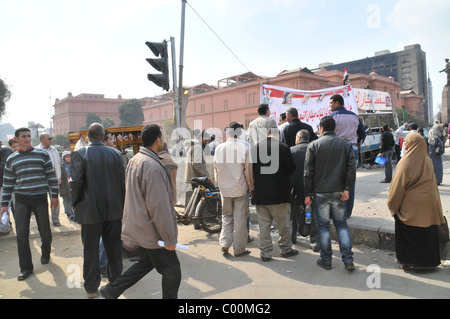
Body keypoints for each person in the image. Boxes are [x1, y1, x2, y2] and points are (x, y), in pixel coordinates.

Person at [100, 124, 181, 299]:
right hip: (151, 230)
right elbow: (158, 207)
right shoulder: (152, 166)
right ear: (158, 140)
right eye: (163, 137)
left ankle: (111, 290)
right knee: (172, 271)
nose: (164, 140)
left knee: (145, 263)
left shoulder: (135, 159)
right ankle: (111, 290)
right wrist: (168, 238)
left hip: (140, 226)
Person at [71, 123, 125, 298]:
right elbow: (122, 184)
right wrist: (122, 206)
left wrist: (75, 201)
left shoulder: (79, 153)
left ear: (88, 136)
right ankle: (115, 283)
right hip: (113, 209)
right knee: (114, 248)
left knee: (91, 249)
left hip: (89, 210)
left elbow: (76, 182)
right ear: (103, 136)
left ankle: (91, 288)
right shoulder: (116, 154)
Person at [1, 127, 59, 280]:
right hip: (21, 200)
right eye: (23, 136)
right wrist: (4, 204)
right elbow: (8, 184)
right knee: (21, 235)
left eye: (28, 136)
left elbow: (51, 176)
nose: (27, 139)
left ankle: (46, 251)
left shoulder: (42, 155)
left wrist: (55, 195)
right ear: (16, 139)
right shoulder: (11, 159)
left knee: (45, 231)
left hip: (40, 197)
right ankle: (26, 268)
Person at [304, 116, 356, 270]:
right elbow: (351, 168)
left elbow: (308, 173)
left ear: (321, 128)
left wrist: (307, 194)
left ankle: (326, 260)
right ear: (334, 128)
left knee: (323, 227)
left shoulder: (313, 145)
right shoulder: (346, 145)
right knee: (341, 226)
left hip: (320, 193)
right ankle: (348, 260)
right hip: (339, 192)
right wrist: (347, 188)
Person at [387, 132, 445, 269]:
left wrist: (392, 206)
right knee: (427, 234)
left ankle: (410, 262)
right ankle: (428, 263)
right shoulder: (427, 160)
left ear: (412, 144)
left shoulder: (406, 161)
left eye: (406, 142)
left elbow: (397, 187)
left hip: (411, 206)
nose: (404, 144)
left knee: (408, 231)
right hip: (429, 205)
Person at [250, 128, 297, 262]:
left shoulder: (255, 148)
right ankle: (286, 249)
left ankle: (265, 253)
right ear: (278, 136)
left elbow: (251, 170)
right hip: (280, 194)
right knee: (284, 225)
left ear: (267, 135)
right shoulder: (283, 147)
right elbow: (292, 168)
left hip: (261, 194)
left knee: (264, 226)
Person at [214, 122, 253, 257]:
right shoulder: (245, 147)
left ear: (229, 132)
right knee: (240, 219)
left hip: (224, 189)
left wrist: (219, 183)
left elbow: (216, 169)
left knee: (226, 217)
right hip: (239, 189)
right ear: (241, 132)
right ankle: (239, 249)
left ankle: (224, 244)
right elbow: (248, 172)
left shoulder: (219, 148)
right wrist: (251, 187)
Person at [329, 94, 365, 218]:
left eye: (331, 103)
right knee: (350, 182)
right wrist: (357, 143)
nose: (330, 106)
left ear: (337, 103)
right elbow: (362, 133)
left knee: (336, 181)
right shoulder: (354, 116)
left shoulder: (332, 117)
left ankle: (338, 212)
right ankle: (347, 212)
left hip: (337, 149)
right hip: (352, 149)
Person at [290, 129, 316, 247]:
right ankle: (313, 240)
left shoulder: (292, 150)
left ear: (299, 138)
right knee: (312, 212)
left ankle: (293, 237)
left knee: (294, 213)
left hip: (296, 188)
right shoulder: (315, 149)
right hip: (312, 188)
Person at [35, 133, 61, 226]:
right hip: (40, 181)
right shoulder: (36, 150)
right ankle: (44, 221)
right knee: (42, 202)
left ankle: (55, 219)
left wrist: (58, 177)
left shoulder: (54, 150)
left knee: (55, 199)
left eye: (51, 138)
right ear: (42, 140)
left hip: (53, 180)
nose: (51, 140)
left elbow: (58, 164)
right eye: (49, 138)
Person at [59, 151, 74, 221]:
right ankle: (67, 212)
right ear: (64, 158)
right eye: (67, 157)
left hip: (71, 185)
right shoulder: (61, 166)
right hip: (64, 186)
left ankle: (72, 214)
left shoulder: (73, 165)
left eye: (69, 156)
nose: (68, 158)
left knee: (71, 200)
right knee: (65, 200)